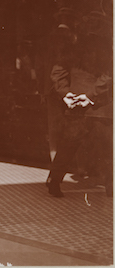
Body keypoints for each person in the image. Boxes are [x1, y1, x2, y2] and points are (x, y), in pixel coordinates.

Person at [47, 10, 113, 198]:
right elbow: (108, 76)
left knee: (68, 146)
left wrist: (66, 94)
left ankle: (54, 181)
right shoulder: (108, 48)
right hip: (100, 106)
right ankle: (112, 188)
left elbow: (57, 72)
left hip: (75, 104)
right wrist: (90, 95)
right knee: (108, 149)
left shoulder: (70, 48)